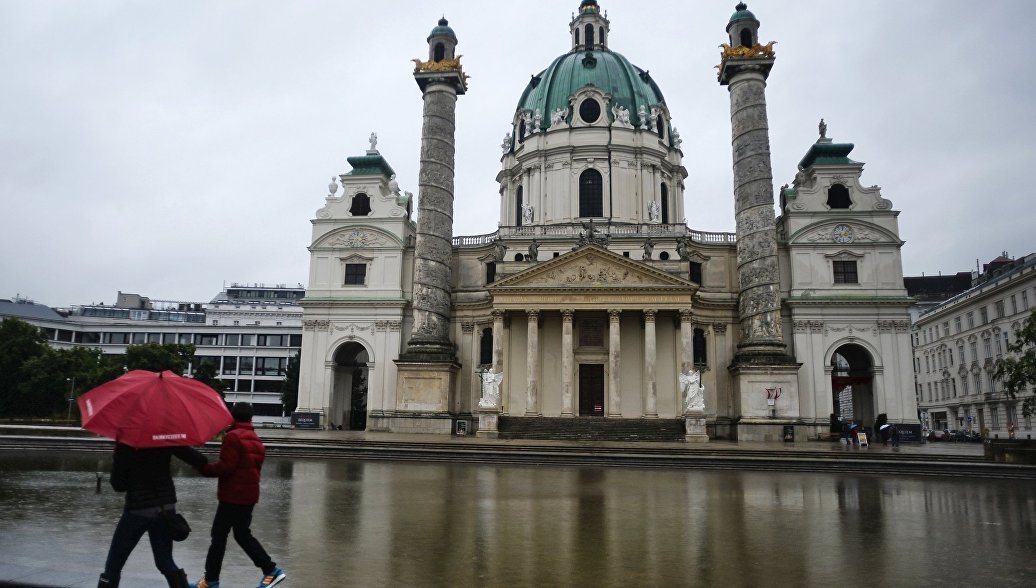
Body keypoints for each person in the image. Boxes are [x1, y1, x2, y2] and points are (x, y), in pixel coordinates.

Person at [191, 403, 285, 588]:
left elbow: (226, 467)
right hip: (248, 496)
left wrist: (204, 468)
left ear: (232, 417)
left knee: (218, 537)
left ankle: (211, 580)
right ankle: (270, 570)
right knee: (241, 534)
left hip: (232, 496)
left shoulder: (233, 437)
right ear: (250, 418)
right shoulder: (256, 440)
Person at [99, 443, 207, 588]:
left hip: (138, 509)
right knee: (165, 562)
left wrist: (120, 459)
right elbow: (200, 460)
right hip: (165, 508)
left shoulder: (127, 442)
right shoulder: (165, 435)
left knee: (114, 564)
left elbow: (118, 485)